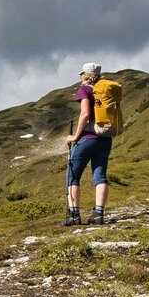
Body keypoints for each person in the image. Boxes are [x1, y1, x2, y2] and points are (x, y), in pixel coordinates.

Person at [64, 62, 112, 225]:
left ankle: (74, 216)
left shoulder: (85, 90)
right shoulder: (105, 91)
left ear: (86, 75)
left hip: (87, 139)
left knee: (73, 176)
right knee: (100, 176)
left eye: (81, 74)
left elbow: (85, 114)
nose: (80, 77)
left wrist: (75, 136)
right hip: (105, 138)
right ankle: (98, 214)